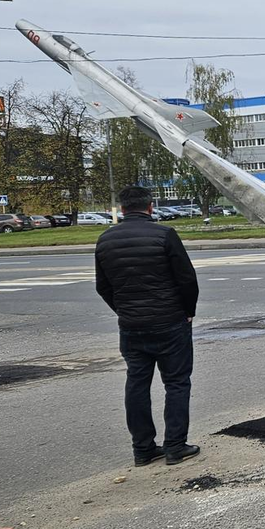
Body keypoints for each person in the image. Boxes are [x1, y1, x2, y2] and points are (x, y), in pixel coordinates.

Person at [95, 186, 200, 467]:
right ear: (151, 207)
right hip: (170, 322)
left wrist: (124, 310)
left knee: (137, 385)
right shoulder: (165, 235)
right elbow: (187, 279)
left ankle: (142, 449)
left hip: (131, 325)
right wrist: (188, 312)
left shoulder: (105, 240)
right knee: (176, 382)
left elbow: (103, 286)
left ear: (122, 209)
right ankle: (175, 446)